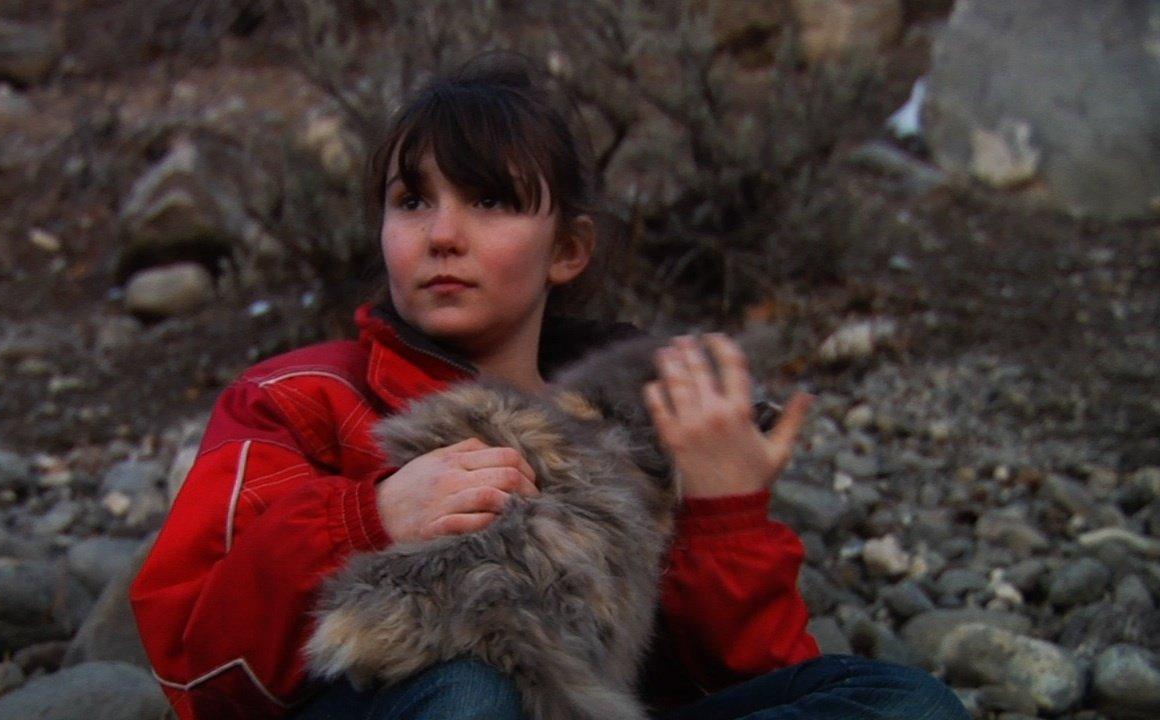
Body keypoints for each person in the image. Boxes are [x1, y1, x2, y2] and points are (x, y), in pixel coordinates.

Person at [129, 53, 968, 720]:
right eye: (411, 200)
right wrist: (368, 517)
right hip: (408, 709)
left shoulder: (636, 419)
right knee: (471, 687)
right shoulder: (301, 395)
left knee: (906, 701)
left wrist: (726, 510)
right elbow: (198, 665)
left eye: (490, 201)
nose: (443, 234)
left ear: (567, 250)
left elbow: (737, 678)